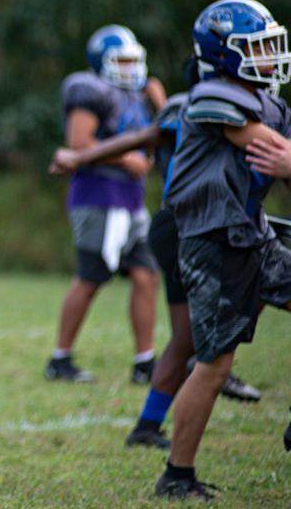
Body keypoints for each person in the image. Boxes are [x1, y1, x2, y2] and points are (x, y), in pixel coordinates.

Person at [48, 60, 260, 453]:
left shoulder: (169, 101)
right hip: (196, 224)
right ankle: (63, 357)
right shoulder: (218, 106)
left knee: (171, 316)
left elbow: (148, 134)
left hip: (170, 218)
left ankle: (148, 402)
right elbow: (135, 137)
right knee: (98, 279)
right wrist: (81, 158)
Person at [152, 0, 291, 499]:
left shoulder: (271, 103)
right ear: (225, 54)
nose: (271, 56)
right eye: (258, 47)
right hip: (212, 243)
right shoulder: (213, 97)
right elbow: (269, 151)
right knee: (215, 364)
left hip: (254, 234)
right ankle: (177, 474)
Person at [45, 25, 163, 384]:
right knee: (92, 276)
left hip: (131, 200)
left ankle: (145, 362)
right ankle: (60, 358)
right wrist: (126, 160)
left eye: (133, 60)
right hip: (99, 198)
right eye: (121, 61)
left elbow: (159, 139)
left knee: (146, 275)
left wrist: (160, 103)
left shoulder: (139, 95)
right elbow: (79, 143)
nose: (129, 68)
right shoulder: (91, 89)